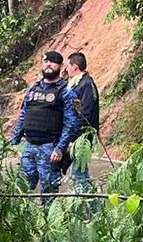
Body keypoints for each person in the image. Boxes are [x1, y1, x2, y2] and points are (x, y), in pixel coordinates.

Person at [10, 51, 81, 202]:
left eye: (53, 62)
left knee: (49, 192)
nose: (49, 64)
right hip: (29, 146)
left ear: (60, 66)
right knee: (22, 188)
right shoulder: (33, 89)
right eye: (46, 61)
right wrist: (14, 140)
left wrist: (60, 148)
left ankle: (48, 223)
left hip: (50, 148)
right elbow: (24, 114)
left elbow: (71, 123)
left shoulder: (66, 92)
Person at [63, 52, 99, 192]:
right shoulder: (76, 84)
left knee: (79, 176)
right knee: (81, 174)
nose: (66, 69)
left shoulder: (86, 85)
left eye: (67, 66)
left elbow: (85, 114)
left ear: (75, 67)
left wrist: (72, 137)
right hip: (77, 136)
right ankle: (93, 208)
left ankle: (93, 209)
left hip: (82, 138)